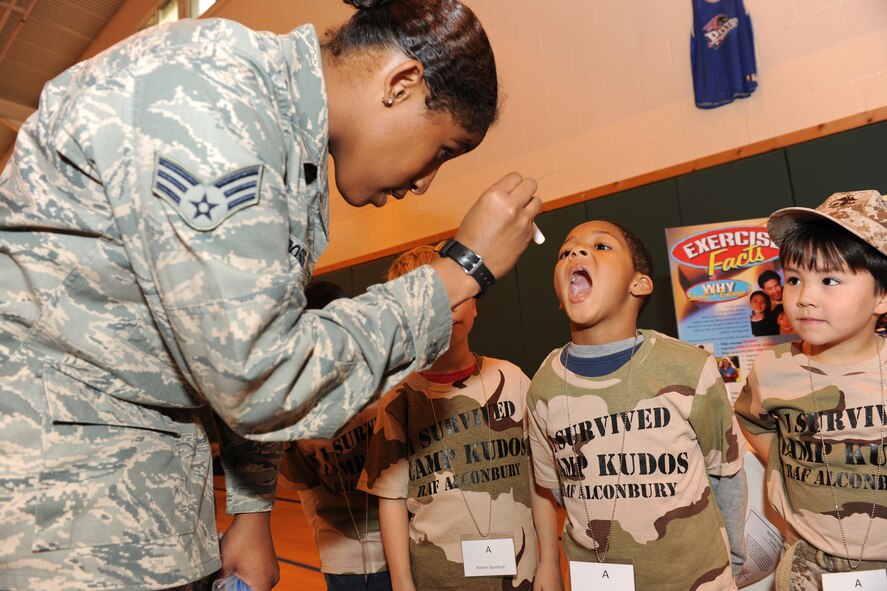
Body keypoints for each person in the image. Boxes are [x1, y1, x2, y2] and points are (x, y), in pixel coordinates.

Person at [0, 0, 542, 588]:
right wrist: (457, 273)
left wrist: (252, 513)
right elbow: (259, 372)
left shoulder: (283, 139)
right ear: (402, 83)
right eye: (443, 150)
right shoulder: (212, 93)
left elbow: (241, 345)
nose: (425, 181)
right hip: (58, 508)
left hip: (138, 501)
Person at [526, 220, 748, 591]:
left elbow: (725, 473)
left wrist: (735, 560)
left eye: (601, 246)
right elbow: (558, 488)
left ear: (639, 283)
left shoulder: (689, 367)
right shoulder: (543, 385)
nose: (576, 253)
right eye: (565, 251)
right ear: (560, 294)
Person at [358, 245, 561, 591]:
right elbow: (390, 500)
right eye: (430, 302)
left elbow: (538, 480)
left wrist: (550, 564)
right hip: (437, 580)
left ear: (476, 302)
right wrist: (402, 584)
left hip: (521, 577)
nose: (447, 310)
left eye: (456, 295)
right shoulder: (398, 403)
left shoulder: (511, 379)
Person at [734, 190, 887, 590]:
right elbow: (751, 418)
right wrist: (785, 459)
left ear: (882, 295)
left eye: (830, 280)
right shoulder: (772, 369)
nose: (804, 297)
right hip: (808, 565)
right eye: (795, 279)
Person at [280, 280, 392, 590]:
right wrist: (332, 544)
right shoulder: (297, 409)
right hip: (344, 557)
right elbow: (307, 490)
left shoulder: (385, 382)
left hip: (401, 542)